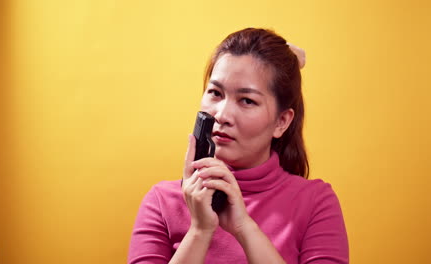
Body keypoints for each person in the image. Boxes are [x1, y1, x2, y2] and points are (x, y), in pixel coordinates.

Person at [128, 28, 349, 264]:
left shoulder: (315, 202)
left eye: (247, 100)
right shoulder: (162, 202)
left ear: (281, 122)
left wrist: (244, 227)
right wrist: (200, 231)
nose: (222, 115)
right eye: (215, 93)